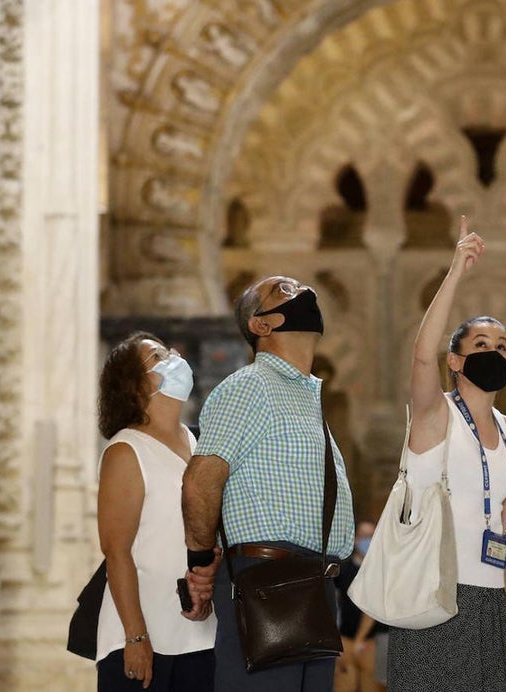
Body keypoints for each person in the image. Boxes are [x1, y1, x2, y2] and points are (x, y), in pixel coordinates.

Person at [179, 276, 356, 691]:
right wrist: (200, 562)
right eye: (285, 290)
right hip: (267, 584)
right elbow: (200, 482)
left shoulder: (303, 396)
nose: (304, 292)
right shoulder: (249, 386)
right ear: (261, 325)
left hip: (312, 586)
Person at [388, 216, 506, 691]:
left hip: (492, 602)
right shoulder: (435, 416)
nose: (495, 352)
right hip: (435, 597)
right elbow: (421, 355)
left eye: (502, 346)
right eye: (481, 344)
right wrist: (455, 271)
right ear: (456, 360)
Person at [95, 332, 217, 690]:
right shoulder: (126, 450)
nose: (174, 357)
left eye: (169, 351)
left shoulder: (199, 443)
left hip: (200, 634)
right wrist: (136, 637)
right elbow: (116, 551)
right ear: (133, 387)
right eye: (158, 357)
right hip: (140, 635)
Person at [335, 521, 386, 692]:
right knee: (344, 685)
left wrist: (359, 641)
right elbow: (334, 605)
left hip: (371, 641)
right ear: (355, 539)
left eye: (371, 536)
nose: (367, 541)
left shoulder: (379, 570)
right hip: (345, 640)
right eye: (363, 536)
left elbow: (371, 609)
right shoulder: (343, 570)